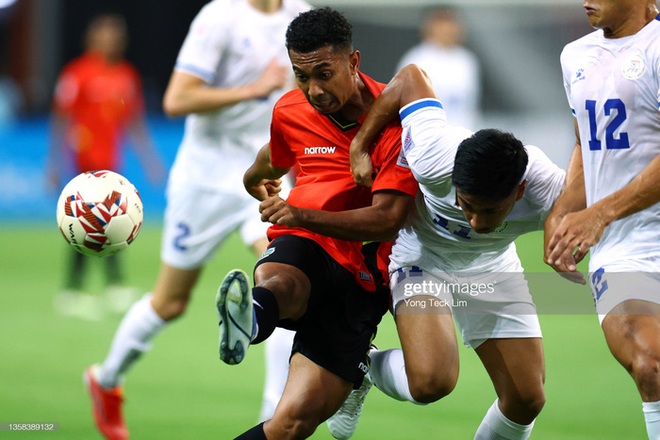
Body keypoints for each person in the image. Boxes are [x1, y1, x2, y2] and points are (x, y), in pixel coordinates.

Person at [82, 1, 310, 439]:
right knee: (170, 303)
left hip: (264, 173)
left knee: (287, 280)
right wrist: (252, 89)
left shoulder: (301, 15)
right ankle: (105, 380)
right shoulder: (219, 17)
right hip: (205, 179)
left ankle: (274, 422)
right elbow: (176, 99)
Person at [214, 7, 418, 439]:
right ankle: (250, 317)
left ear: (353, 62)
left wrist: (298, 211)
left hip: (363, 276)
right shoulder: (290, 108)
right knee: (282, 282)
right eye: (301, 76)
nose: (313, 89)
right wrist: (253, 181)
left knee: (291, 425)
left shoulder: (397, 125)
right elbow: (273, 157)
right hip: (304, 242)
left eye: (324, 74)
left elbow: (388, 220)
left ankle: (260, 320)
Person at [341, 63, 566, 439]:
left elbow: (597, 200)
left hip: (492, 267)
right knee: (431, 381)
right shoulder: (432, 155)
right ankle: (357, 366)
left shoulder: (548, 191)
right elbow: (410, 77)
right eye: (466, 204)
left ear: (519, 192)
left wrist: (570, 235)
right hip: (421, 261)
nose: (476, 221)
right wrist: (360, 143)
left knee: (526, 398)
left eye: (490, 210)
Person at [544, 1, 660, 438]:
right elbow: (586, 144)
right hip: (626, 247)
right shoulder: (574, 54)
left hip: (614, 221)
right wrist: (564, 211)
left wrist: (601, 212)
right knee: (649, 362)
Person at [47, 13, 165, 320]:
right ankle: (72, 290)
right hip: (83, 167)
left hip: (111, 166)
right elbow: (60, 118)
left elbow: (134, 122)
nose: (113, 40)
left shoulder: (126, 75)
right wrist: (53, 163)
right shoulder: (77, 73)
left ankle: (114, 286)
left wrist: (150, 160)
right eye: (107, 34)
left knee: (114, 223)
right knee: (83, 225)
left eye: (117, 35)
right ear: (92, 38)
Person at [395, 5, 480, 130]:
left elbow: (470, 107)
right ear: (429, 27)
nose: (447, 29)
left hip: (463, 138)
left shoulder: (467, 61)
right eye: (441, 24)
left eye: (450, 23)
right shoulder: (415, 60)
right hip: (427, 138)